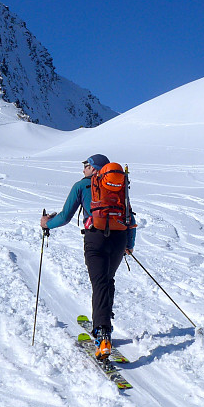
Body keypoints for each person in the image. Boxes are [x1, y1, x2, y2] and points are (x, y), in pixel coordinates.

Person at [41, 154, 136, 360]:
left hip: (96, 238)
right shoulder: (118, 187)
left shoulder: (82, 186)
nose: (83, 168)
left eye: (86, 165)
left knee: (100, 282)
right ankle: (104, 321)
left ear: (95, 169)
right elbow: (129, 215)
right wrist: (129, 244)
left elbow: (65, 216)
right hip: (119, 238)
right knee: (107, 280)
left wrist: (46, 223)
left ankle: (103, 333)